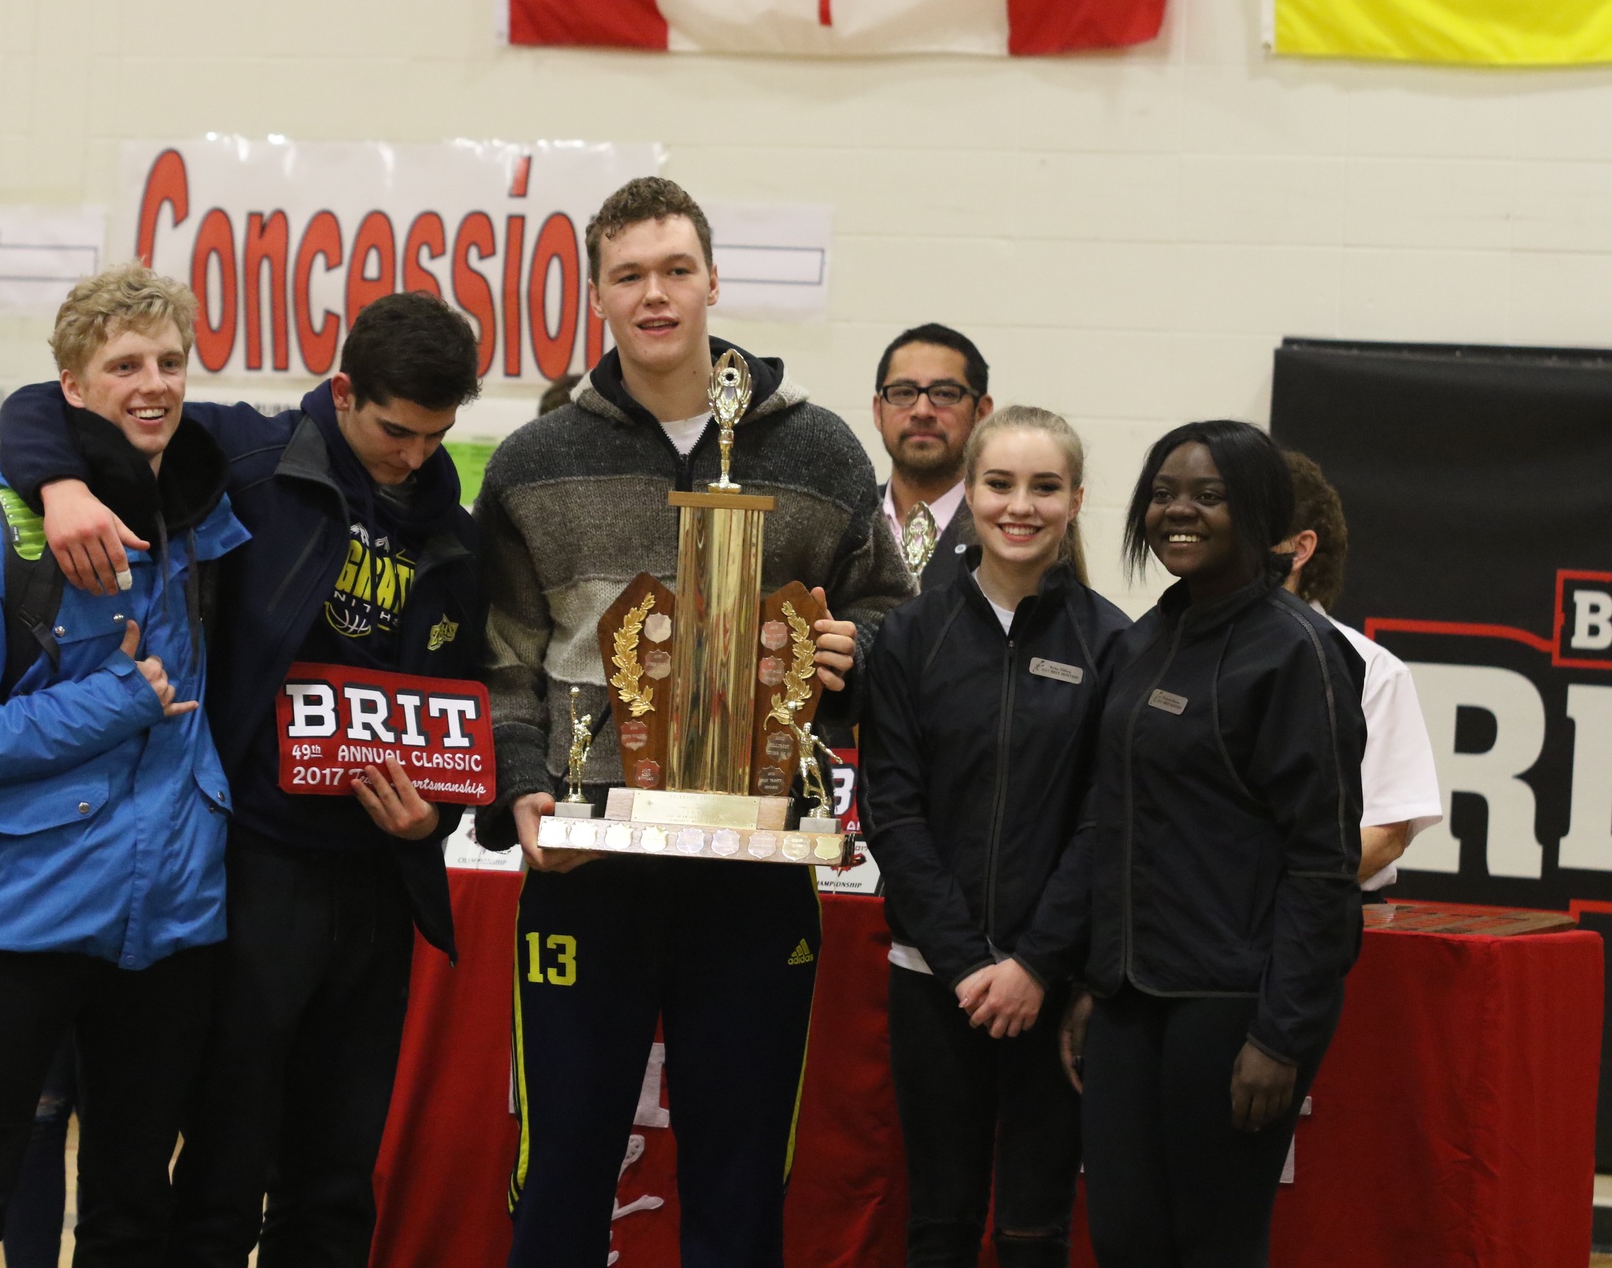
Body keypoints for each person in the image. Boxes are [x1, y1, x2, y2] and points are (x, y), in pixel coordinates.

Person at [0, 288, 487, 1267]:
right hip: (253, 861)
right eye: (395, 431)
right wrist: (60, 487)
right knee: (225, 1157)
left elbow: (461, 708)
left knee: (337, 1173)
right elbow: (39, 405)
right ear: (342, 392)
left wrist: (434, 817)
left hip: (378, 876)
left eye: (435, 436)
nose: (413, 455)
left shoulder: (456, 532)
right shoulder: (249, 455)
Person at [476, 175, 911, 1268]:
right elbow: (504, 654)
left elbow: (889, 614)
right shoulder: (534, 461)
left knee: (740, 1171)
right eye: (629, 275)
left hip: (753, 855)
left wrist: (853, 652)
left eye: (676, 270)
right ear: (597, 295)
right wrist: (522, 782)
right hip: (587, 853)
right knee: (562, 1162)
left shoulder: (816, 448)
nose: (655, 294)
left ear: (713, 280)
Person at [0, 263, 247, 1266]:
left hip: (173, 912)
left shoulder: (206, 527)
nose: (154, 384)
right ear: (73, 386)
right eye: (125, 365)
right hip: (23, 910)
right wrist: (115, 700)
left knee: (133, 1205)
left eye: (170, 362)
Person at [1061, 420, 1364, 1268]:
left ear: (1259, 511)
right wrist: (1094, 978)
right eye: (1163, 494)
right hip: (1128, 997)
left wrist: (1282, 1035)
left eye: (1208, 495)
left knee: (1213, 1245)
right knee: (1124, 1238)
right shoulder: (1143, 640)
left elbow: (1324, 865)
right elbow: (1111, 820)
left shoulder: (1300, 651)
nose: (1178, 511)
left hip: (1235, 1005)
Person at [860, 406, 1128, 1267]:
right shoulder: (910, 635)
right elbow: (891, 809)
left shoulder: (1114, 643)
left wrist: (1035, 964)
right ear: (969, 492)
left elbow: (1105, 821)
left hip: (1054, 986)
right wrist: (966, 963)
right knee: (939, 1223)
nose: (1021, 506)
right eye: (1000, 483)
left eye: (1045, 487)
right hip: (934, 978)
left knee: (1033, 1229)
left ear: (1075, 499)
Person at [1279, 451, 1441, 899]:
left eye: (1253, 527)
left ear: (1300, 549)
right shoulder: (1177, 650)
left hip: (1316, 915)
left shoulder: (1371, 669)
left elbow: (1385, 833)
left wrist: (1260, 897)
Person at [872, 324, 993, 589]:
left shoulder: (1003, 530)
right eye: (904, 393)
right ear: (878, 411)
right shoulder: (846, 526)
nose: (922, 411)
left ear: (982, 413)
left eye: (944, 394)